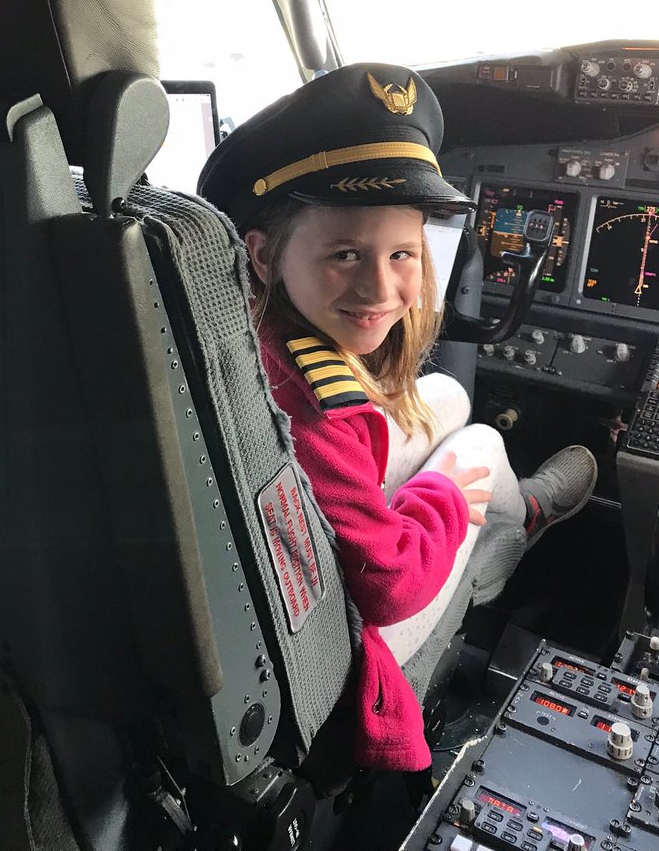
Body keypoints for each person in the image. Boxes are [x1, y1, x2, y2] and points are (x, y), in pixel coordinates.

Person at [198, 62, 597, 773]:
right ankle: (514, 527)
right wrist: (439, 499)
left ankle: (515, 513)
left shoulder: (258, 332)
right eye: (345, 253)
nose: (381, 288)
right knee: (474, 443)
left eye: (403, 254)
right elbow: (386, 587)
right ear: (262, 256)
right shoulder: (317, 410)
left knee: (447, 396)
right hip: (339, 637)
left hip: (300, 541)